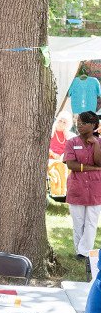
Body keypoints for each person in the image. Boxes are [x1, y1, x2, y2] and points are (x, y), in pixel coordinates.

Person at [63, 111, 101, 259]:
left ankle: (84, 252)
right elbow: (71, 165)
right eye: (78, 122)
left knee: (91, 221)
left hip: (95, 188)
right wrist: (94, 168)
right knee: (78, 221)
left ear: (94, 125)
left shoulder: (99, 142)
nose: (79, 125)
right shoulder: (71, 142)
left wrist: (96, 144)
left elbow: (100, 163)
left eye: (84, 123)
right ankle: (79, 249)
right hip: (77, 187)